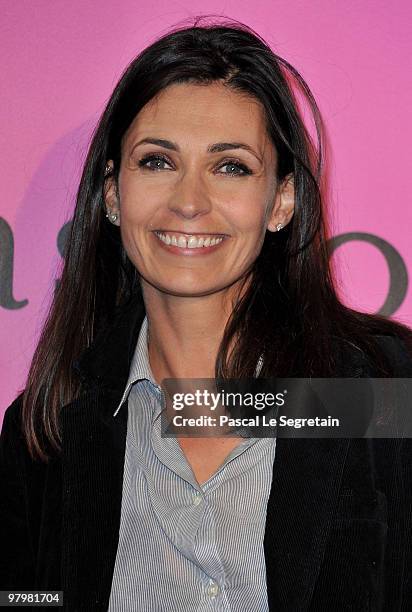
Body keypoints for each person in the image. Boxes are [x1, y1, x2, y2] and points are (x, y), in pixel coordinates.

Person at [1, 16, 412, 612]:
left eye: (231, 167)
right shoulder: (49, 428)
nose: (189, 202)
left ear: (281, 201)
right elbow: (26, 598)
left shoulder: (382, 393)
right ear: (113, 194)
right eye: (157, 162)